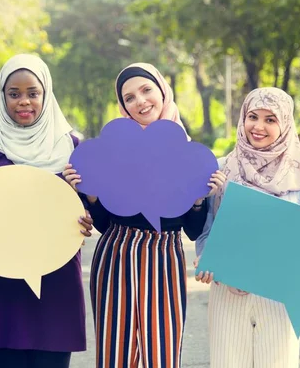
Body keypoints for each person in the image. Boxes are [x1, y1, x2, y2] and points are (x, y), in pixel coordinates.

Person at [63, 62, 225, 368]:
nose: (141, 101)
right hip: (117, 254)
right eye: (130, 97)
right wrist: (91, 192)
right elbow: (104, 222)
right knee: (116, 353)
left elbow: (190, 230)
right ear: (123, 106)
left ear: (162, 91)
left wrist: (200, 198)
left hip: (166, 257)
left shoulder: (189, 152)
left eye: (146, 90)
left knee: (162, 353)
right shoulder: (113, 148)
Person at [0, 54, 92, 368]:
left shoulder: (72, 148)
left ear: (46, 94)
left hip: (56, 280)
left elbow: (88, 205)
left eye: (33, 93)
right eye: (14, 94)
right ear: (2, 96)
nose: (23, 101)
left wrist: (86, 214)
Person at [194, 87, 300, 368]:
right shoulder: (221, 168)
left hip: (279, 296)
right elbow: (206, 228)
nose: (258, 127)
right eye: (252, 117)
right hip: (228, 290)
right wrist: (206, 257)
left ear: (285, 124)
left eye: (270, 119)